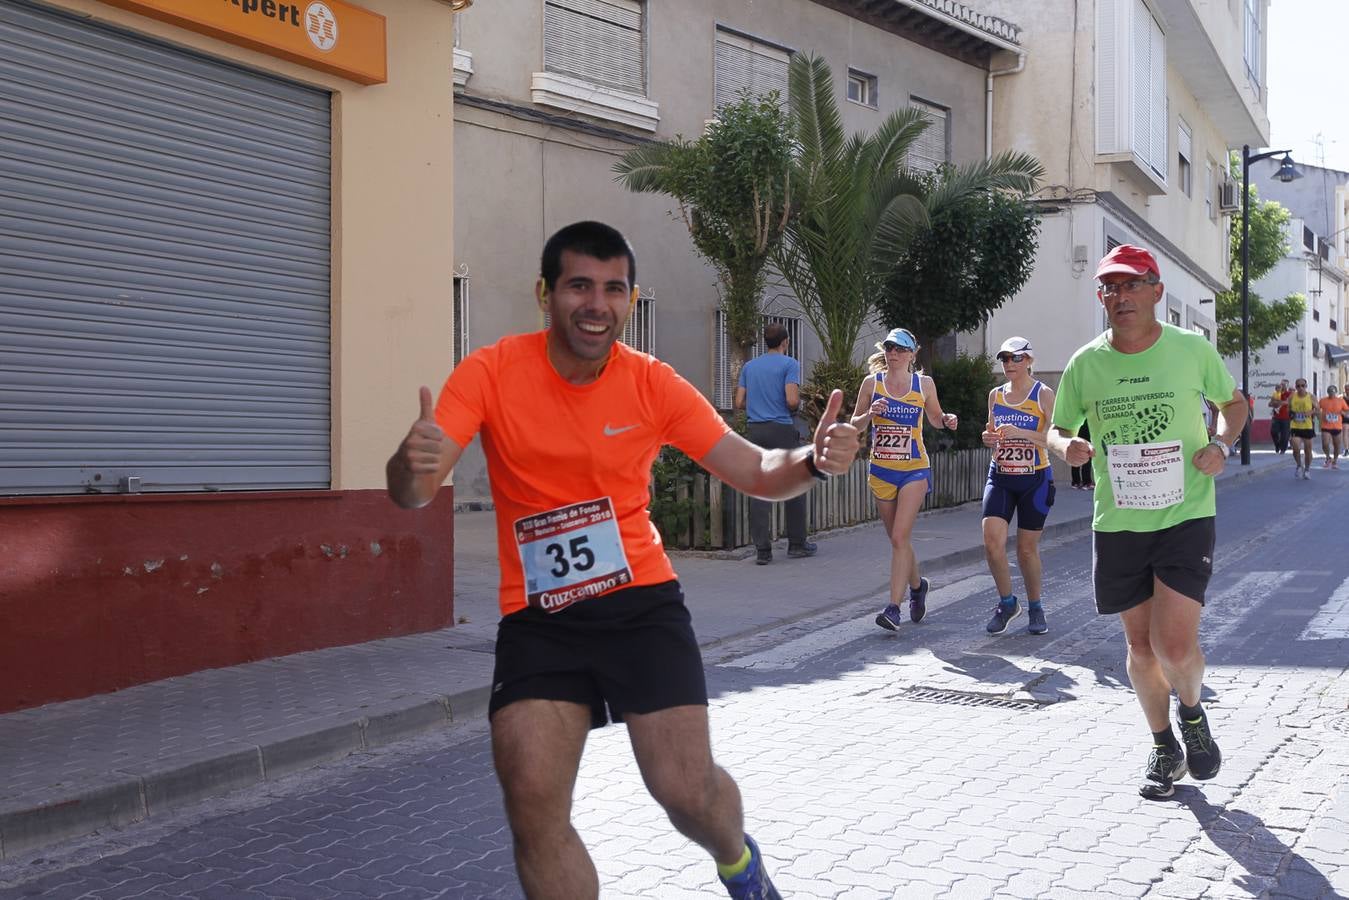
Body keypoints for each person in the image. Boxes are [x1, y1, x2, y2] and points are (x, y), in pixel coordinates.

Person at [387, 222, 861, 899]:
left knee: (684, 792)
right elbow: (414, 492)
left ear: (629, 300)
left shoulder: (651, 384)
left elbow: (755, 469)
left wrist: (812, 461)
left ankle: (737, 861)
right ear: (545, 293)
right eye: (579, 285)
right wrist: (411, 467)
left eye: (613, 289)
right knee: (531, 805)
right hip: (540, 617)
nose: (596, 303)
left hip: (639, 606)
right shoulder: (490, 371)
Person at [1047, 244, 1248, 801]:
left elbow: (1234, 406)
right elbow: (1055, 429)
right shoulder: (1086, 363)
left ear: (1157, 291)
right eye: (1110, 288)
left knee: (1175, 647)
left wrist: (1221, 444)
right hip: (1118, 522)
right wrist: (1069, 446)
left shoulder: (1191, 350)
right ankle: (1164, 746)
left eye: (1131, 285)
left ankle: (1192, 711)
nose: (1119, 296)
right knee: (1140, 649)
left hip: (1185, 515)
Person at [849, 327, 958, 631]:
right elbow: (854, 425)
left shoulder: (923, 384)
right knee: (899, 540)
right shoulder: (872, 383)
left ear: (912, 353)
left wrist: (947, 419)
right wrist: (870, 413)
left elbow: (935, 418)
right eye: (889, 348)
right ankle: (918, 586)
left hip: (914, 469)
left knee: (899, 538)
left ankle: (893, 608)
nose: (893, 354)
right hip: (882, 470)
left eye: (899, 349)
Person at [980, 337, 1055, 636]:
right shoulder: (995, 395)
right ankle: (1007, 603)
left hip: (1034, 478)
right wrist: (988, 439)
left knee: (1026, 550)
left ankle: (1036, 607)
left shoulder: (1043, 394)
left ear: (1029, 361)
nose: (1009, 364)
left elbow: (1056, 436)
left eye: (1015, 358)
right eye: (1005, 359)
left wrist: (1022, 433)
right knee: (991, 543)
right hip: (1000, 475)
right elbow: (991, 431)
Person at [734, 322, 817, 564]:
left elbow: (739, 402)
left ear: (764, 342)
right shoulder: (790, 364)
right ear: (785, 342)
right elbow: (792, 400)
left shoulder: (749, 366)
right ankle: (797, 544)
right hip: (781, 429)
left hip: (755, 431)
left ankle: (762, 551)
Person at [1289, 378, 1316, 479]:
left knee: (1308, 451)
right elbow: (1288, 408)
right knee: (1296, 448)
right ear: (1295, 387)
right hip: (1295, 426)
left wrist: (1311, 412)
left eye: (1302, 385)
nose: (1300, 388)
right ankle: (1299, 465)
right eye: (1298, 386)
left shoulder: (1311, 397)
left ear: (1306, 386)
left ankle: (1307, 469)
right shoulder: (1292, 397)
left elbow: (1317, 408)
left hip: (1307, 427)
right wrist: (1291, 414)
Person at [1317, 386, 1346, 469]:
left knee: (1337, 445)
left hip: (1337, 427)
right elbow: (1317, 409)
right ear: (1327, 392)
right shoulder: (1323, 400)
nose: (1331, 393)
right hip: (1325, 425)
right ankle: (1328, 457)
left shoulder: (1341, 401)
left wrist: (1343, 413)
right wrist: (1319, 417)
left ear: (1336, 392)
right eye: (1330, 391)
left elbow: (1346, 410)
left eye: (1333, 392)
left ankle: (1335, 461)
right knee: (1325, 444)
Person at [1268, 379, 1292, 454]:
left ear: (1287, 386)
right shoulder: (1276, 393)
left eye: (1284, 385)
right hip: (1276, 416)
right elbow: (1270, 404)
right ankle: (1277, 445)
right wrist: (1275, 403)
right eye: (1281, 384)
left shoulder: (1289, 394)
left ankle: (1283, 449)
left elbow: (1287, 402)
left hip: (1286, 417)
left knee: (1285, 435)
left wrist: (1277, 402)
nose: (1282, 386)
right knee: (1273, 432)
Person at [1069, 422, 1095, 490]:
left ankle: (1076, 482)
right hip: (1084, 440)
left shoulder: (1073, 418)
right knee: (1086, 460)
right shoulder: (1086, 417)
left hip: (1075, 440)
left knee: (1075, 460)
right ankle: (1086, 483)